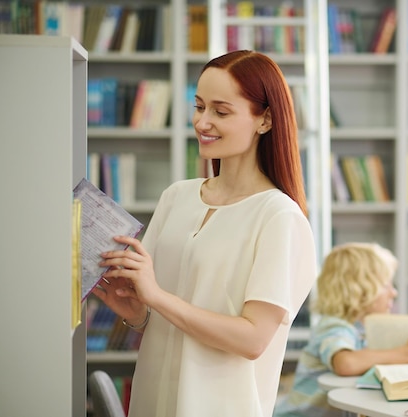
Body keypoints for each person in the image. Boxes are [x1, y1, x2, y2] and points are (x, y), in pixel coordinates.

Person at [93, 50, 317, 417]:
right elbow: (157, 316)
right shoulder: (177, 197)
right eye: (199, 106)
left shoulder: (279, 217)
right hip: (154, 401)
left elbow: (253, 339)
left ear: (265, 120)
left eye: (221, 111)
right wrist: (136, 311)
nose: (202, 122)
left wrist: (157, 298)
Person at [274, 242, 408, 417]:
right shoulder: (333, 326)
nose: (394, 293)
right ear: (360, 290)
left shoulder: (361, 330)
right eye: (386, 285)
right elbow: (346, 363)